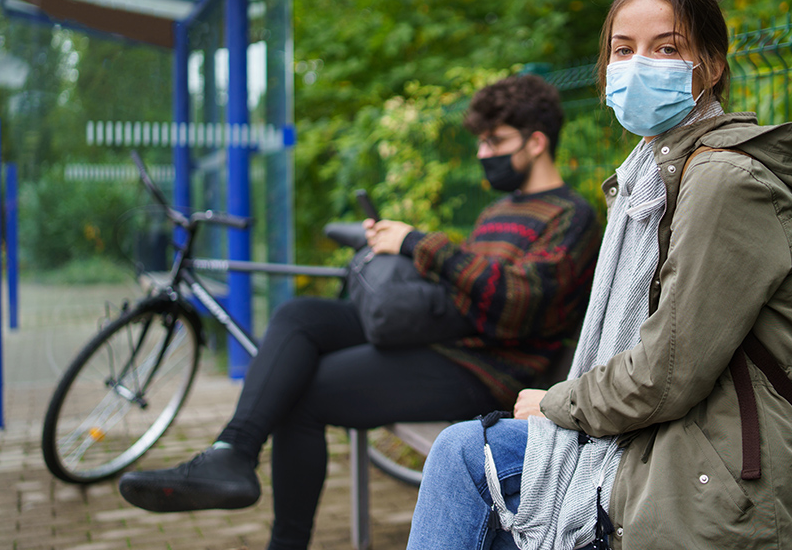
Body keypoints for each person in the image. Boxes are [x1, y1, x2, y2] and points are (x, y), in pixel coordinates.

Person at [406, 0, 792, 550]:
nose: (637, 66)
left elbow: (667, 374)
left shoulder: (725, 183)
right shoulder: (647, 179)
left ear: (711, 65)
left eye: (666, 47)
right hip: (664, 442)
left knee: (464, 457)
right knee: (472, 461)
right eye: (623, 50)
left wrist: (557, 403)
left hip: (716, 472)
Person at [117, 74, 602, 550]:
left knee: (302, 394)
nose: (482, 154)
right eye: (480, 141)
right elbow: (473, 281)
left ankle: (284, 541)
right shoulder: (500, 211)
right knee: (300, 316)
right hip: (447, 333)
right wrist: (406, 255)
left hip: (487, 368)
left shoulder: (571, 217)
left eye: (494, 141)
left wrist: (418, 243)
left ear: (537, 142)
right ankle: (231, 453)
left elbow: (521, 300)